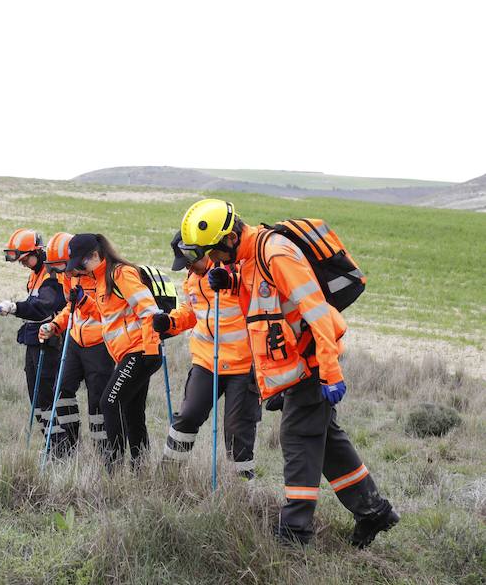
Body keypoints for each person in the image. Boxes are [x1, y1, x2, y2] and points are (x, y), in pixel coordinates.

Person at [179, 198, 399, 547]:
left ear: (229, 239)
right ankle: (374, 511)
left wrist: (329, 370)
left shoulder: (276, 253)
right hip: (295, 366)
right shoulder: (250, 257)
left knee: (297, 439)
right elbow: (267, 300)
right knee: (328, 443)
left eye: (213, 254)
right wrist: (232, 283)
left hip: (311, 366)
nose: (212, 263)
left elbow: (315, 311)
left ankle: (294, 532)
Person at [152, 232, 260, 478]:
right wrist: (169, 322)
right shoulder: (192, 279)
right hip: (205, 362)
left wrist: (231, 281)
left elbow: (256, 295)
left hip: (242, 365)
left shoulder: (233, 269)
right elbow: (191, 312)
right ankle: (166, 476)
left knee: (236, 429)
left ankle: (242, 489)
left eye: (189, 261)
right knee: (187, 416)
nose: (188, 268)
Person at [66, 233, 162, 469]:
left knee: (108, 402)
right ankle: (140, 466)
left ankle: (114, 466)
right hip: (129, 354)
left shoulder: (121, 274)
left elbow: (149, 310)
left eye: (81, 264)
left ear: (95, 255)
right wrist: (84, 303)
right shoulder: (100, 280)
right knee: (132, 411)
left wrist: (150, 350)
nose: (78, 270)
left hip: (140, 351)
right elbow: (106, 317)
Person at [39, 232, 114, 452]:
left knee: (97, 400)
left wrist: (84, 301)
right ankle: (70, 444)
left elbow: (107, 312)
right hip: (74, 341)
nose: (63, 272)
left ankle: (104, 450)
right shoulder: (68, 276)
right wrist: (55, 325)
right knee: (61, 391)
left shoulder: (104, 275)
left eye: (63, 265)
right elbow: (71, 309)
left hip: (101, 344)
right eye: (57, 267)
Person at [0, 229, 66, 452]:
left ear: (38, 252)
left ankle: (60, 446)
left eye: (26, 259)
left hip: (50, 342)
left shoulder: (51, 277)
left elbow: (43, 308)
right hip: (34, 340)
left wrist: (14, 307)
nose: (23, 264)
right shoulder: (35, 274)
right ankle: (51, 442)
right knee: (36, 396)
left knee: (46, 394)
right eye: (21, 260)